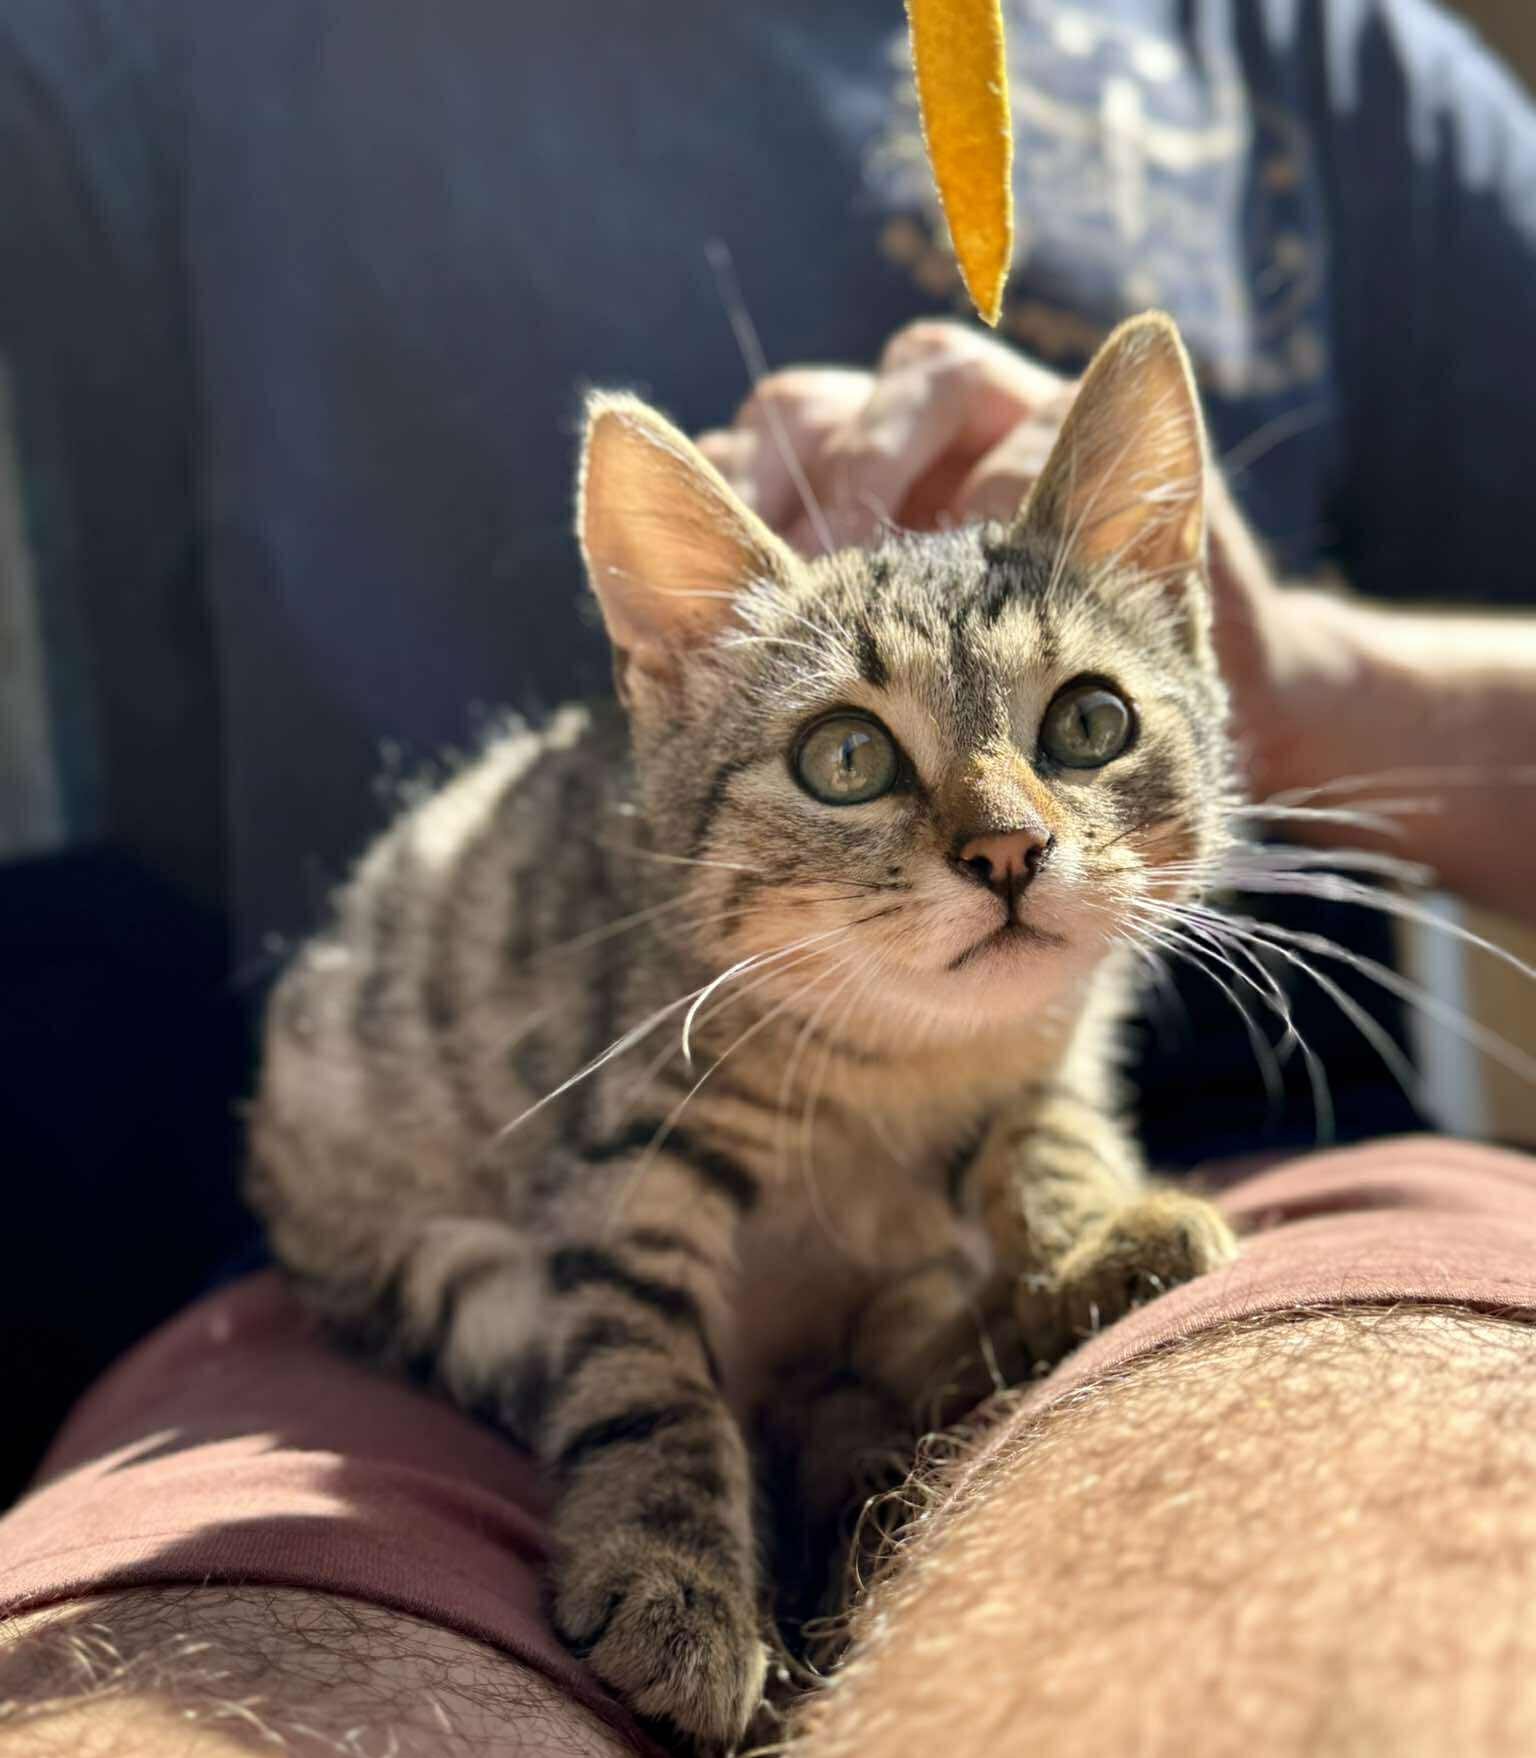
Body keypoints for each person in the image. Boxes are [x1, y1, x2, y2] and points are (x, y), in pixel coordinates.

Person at [4, 0, 1536, 1751]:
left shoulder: (1308, 49)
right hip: (407, 1269)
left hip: (1274, 1172)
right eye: (857, 758)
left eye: (1086, 720)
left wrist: (1316, 674)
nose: (1005, 835)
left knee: (1375, 1596)